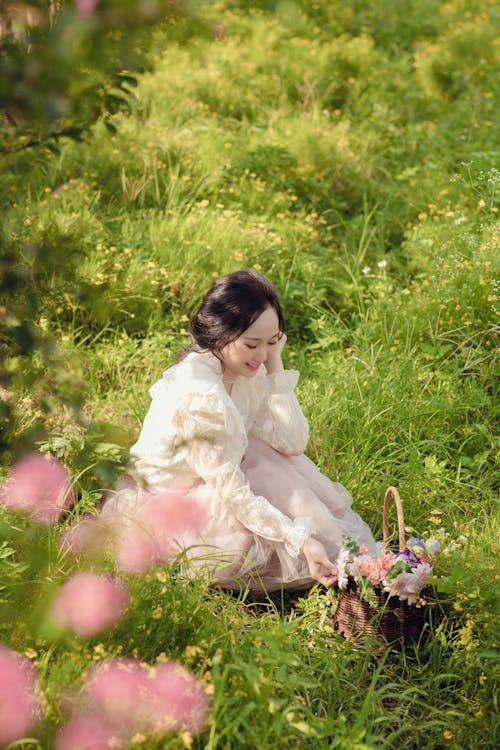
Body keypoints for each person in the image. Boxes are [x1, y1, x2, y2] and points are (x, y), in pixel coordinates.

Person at [103, 270, 376, 592]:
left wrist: (275, 364)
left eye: (272, 342)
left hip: (229, 469)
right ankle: (337, 559)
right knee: (263, 516)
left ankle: (350, 557)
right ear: (222, 335)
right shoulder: (200, 395)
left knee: (269, 456)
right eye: (252, 345)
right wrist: (299, 540)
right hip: (177, 496)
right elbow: (231, 492)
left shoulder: (244, 366)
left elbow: (292, 443)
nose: (261, 356)